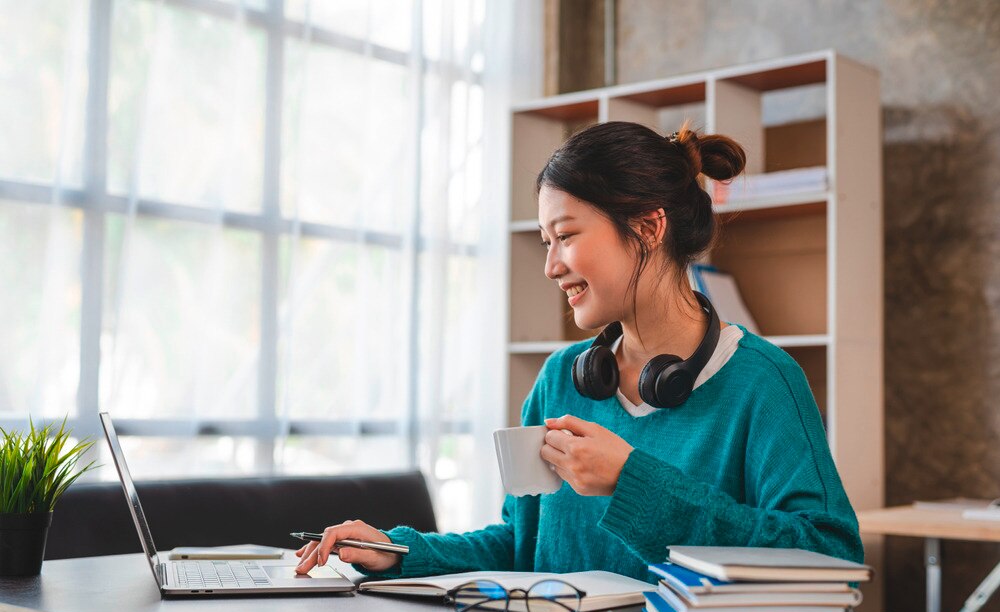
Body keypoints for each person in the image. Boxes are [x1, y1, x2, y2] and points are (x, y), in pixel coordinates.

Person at [295, 120, 864, 581]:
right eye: (547, 242)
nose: (550, 266)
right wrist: (400, 551)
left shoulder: (763, 382)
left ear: (648, 226)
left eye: (566, 236)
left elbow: (830, 555)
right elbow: (521, 546)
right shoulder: (560, 380)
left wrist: (632, 481)